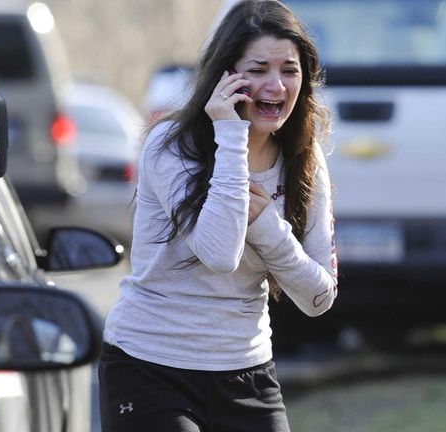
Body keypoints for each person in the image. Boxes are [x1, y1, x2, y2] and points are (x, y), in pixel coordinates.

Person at [99, 1, 338, 431]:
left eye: (289, 69)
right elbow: (218, 253)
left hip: (247, 372)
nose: (275, 84)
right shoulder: (170, 147)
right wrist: (231, 135)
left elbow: (319, 298)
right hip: (149, 366)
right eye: (258, 68)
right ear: (224, 76)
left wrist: (268, 228)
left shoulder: (305, 160)